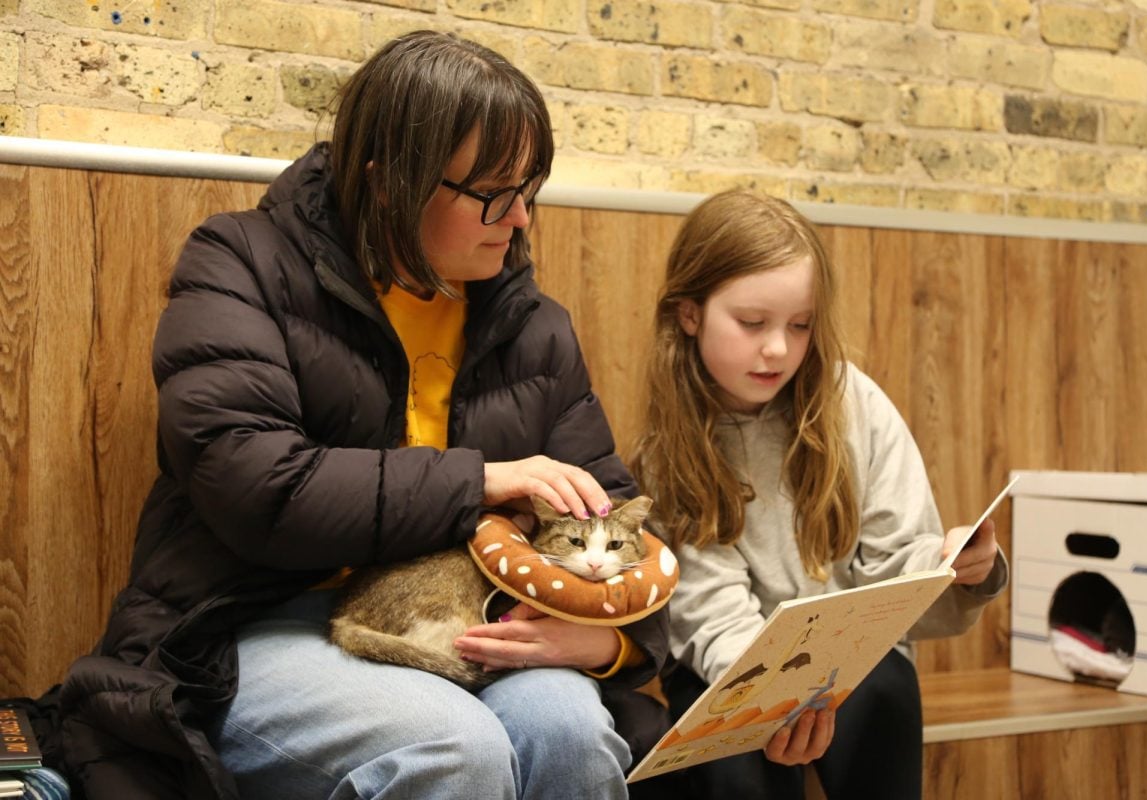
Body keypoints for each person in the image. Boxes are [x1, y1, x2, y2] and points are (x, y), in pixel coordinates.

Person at [52, 31, 669, 800]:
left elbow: (620, 518)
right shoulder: (239, 263)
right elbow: (257, 487)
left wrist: (606, 642)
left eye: (529, 192)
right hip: (260, 622)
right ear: (390, 183)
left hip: (468, 612)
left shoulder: (533, 323)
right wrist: (481, 480)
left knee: (570, 733)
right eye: (492, 194)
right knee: (456, 749)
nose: (519, 221)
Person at [630, 189, 1009, 799]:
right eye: (752, 323)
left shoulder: (850, 401)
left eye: (800, 325)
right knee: (738, 766)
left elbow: (896, 565)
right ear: (689, 314)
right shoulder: (667, 453)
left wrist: (956, 568)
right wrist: (773, 700)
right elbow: (710, 615)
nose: (778, 348)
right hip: (732, 671)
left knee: (883, 691)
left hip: (853, 662)